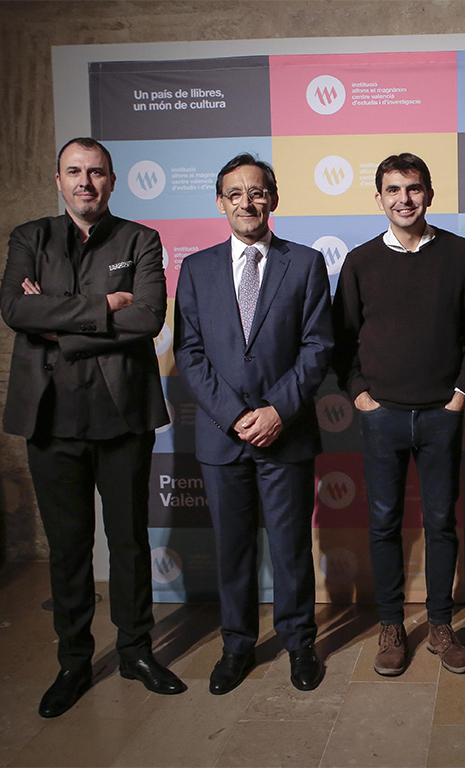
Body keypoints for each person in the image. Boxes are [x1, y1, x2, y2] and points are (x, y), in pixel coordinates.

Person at [1, 137, 185, 718]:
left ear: (112, 180)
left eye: (97, 172)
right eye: (75, 171)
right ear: (58, 180)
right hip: (49, 418)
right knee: (68, 548)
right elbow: (16, 310)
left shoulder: (140, 239)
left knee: (128, 541)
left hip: (121, 416)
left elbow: (148, 317)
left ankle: (136, 651)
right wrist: (105, 305)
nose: (86, 182)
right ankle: (74, 662)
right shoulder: (29, 238)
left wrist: (58, 323)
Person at [175, 153, 333, 695]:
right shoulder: (196, 269)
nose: (247, 202)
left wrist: (277, 410)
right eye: (235, 193)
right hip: (223, 437)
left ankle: (300, 644)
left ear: (274, 198)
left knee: (291, 548)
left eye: (257, 191)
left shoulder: (306, 263)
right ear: (220, 203)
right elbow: (189, 352)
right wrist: (236, 415)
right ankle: (237, 646)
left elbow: (318, 345)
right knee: (233, 549)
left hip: (286, 434)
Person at [333, 153, 465, 677]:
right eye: (394, 190)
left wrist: (460, 396)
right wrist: (360, 395)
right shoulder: (360, 261)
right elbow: (341, 340)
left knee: (442, 522)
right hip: (382, 416)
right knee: (383, 523)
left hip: (441, 414)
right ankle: (391, 625)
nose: (405, 199)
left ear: (429, 193)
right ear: (379, 198)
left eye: (414, 188)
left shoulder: (460, 253)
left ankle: (441, 625)